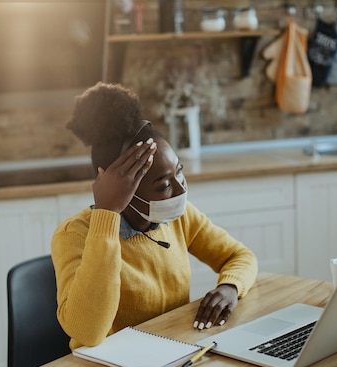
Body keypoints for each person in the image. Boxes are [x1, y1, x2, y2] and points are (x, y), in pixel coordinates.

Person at [51, 82, 258, 349]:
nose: (181, 188)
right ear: (120, 187)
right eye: (163, 184)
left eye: (179, 172)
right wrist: (107, 212)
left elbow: (240, 256)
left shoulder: (179, 218)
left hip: (170, 353)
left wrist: (230, 287)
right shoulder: (75, 235)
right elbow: (88, 332)